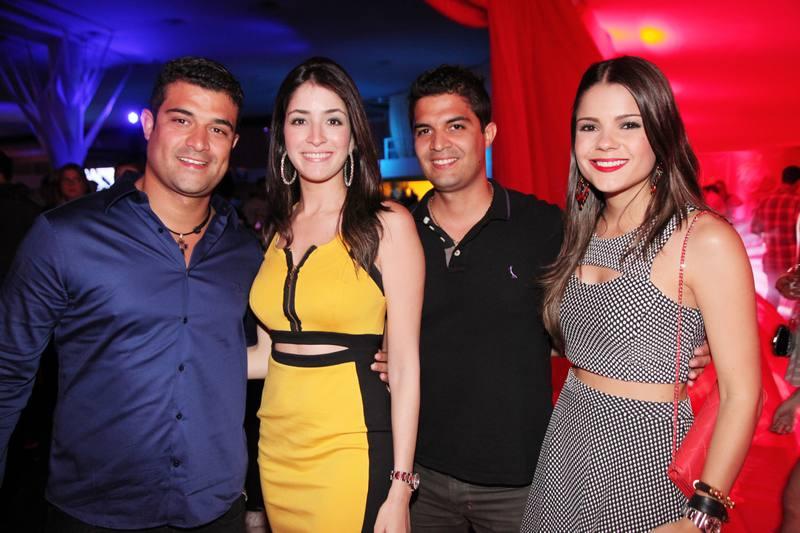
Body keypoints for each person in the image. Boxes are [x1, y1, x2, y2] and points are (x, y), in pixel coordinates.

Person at [367, 65, 712, 533]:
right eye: (424, 130)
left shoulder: (548, 228)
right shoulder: (397, 234)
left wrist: (676, 342)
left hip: (525, 480)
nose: (438, 143)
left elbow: (600, 314)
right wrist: (382, 351)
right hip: (420, 476)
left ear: (488, 133)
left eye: (456, 126)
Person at [0, 56, 262, 531]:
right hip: (94, 512)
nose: (199, 143)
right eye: (181, 120)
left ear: (233, 143)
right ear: (148, 124)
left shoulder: (245, 251)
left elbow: (249, 359)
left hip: (214, 510)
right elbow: (7, 371)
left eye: (218, 129)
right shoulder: (65, 236)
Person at [520, 56, 761, 531]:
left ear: (661, 132)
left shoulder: (703, 239)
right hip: (565, 446)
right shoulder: (578, 233)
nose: (604, 142)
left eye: (628, 124)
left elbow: (743, 392)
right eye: (589, 126)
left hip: (642, 458)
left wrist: (703, 514)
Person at [246, 57, 423, 533]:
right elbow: (265, 355)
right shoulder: (276, 230)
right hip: (276, 449)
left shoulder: (388, 226)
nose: (316, 137)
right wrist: (176, 357)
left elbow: (405, 366)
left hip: (351, 447)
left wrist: (401, 489)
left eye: (333, 120)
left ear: (353, 136)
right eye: (300, 120)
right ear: (282, 136)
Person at [752, 165, 800, 308]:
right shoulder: (797, 202)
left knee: (772, 298)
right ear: (798, 182)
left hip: (772, 258)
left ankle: (772, 322)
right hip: (792, 262)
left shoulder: (766, 201)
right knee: (796, 301)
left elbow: (755, 229)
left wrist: (771, 235)